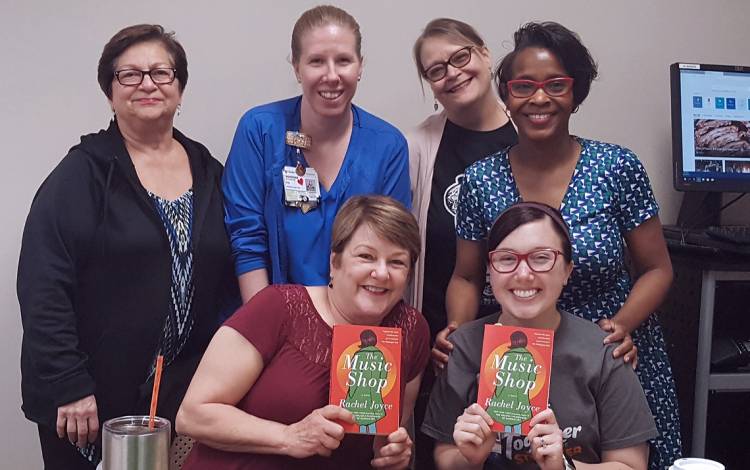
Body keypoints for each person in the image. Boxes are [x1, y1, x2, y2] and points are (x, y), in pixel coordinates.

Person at [436, 22, 680, 469]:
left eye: (556, 85)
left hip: (607, 356)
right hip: (510, 355)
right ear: (506, 95)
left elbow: (657, 269)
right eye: (523, 86)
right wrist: (457, 330)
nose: (539, 98)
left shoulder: (616, 167)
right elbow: (467, 275)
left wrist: (620, 328)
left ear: (576, 92)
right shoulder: (479, 181)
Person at [17, 24, 237, 469]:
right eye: (130, 75)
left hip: (179, 396)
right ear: (110, 91)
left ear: (179, 87)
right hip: (88, 401)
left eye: (161, 72)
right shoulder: (83, 174)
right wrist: (69, 383)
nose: (148, 84)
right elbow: (43, 285)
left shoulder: (208, 169)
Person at [176, 195, 430, 469]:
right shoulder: (278, 307)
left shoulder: (410, 330)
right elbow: (192, 416)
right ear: (335, 262)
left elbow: (389, 433)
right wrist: (288, 436)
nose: (381, 273)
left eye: (397, 262)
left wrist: (392, 454)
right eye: (366, 256)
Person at [423, 202, 657, 469]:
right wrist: (470, 458)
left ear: (567, 270)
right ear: (490, 270)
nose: (523, 274)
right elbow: (444, 456)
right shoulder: (462, 348)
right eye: (507, 259)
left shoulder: (604, 351)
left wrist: (564, 466)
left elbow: (631, 465)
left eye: (541, 258)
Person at [223, 5, 411, 303]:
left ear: (360, 66)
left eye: (344, 61)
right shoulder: (260, 130)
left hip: (355, 318)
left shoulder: (388, 146)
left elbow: (390, 254)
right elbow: (247, 241)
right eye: (316, 61)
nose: (332, 75)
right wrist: (264, 330)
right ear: (296, 67)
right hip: (267, 313)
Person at [408, 19, 518, 468]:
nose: (451, 73)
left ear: (485, 55)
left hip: (522, 341)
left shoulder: (532, 130)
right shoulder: (418, 146)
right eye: (436, 70)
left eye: (460, 57)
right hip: (444, 344)